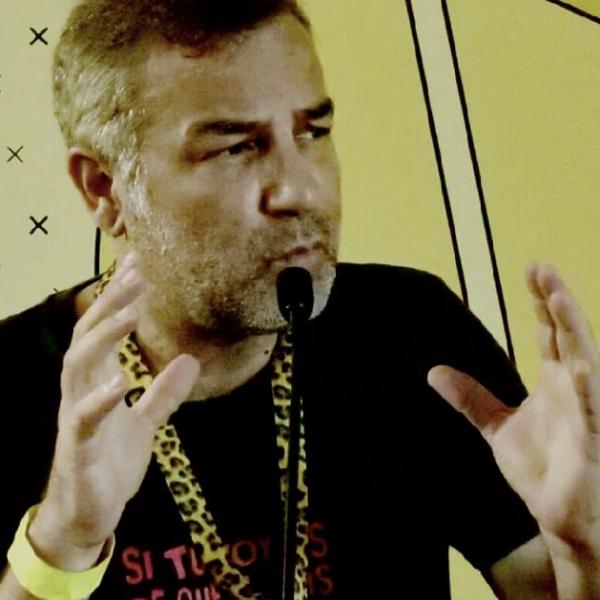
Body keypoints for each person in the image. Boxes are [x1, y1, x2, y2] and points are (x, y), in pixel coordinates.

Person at [0, 0, 598, 598]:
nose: (300, 189)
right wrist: (68, 541)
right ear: (105, 187)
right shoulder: (10, 385)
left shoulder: (415, 331)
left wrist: (585, 544)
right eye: (235, 146)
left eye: (312, 132)